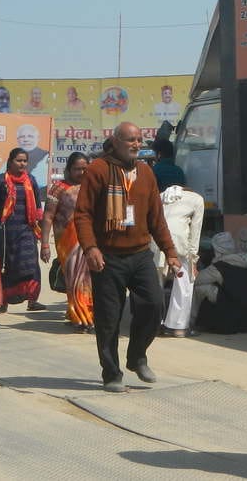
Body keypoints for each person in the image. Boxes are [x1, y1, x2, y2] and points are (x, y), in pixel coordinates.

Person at [73, 122, 180, 393]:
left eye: (139, 140)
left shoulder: (146, 173)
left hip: (140, 254)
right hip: (107, 257)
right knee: (108, 318)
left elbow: (157, 219)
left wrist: (170, 252)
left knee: (154, 305)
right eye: (130, 140)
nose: (136, 144)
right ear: (116, 142)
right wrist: (90, 248)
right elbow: (83, 214)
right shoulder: (98, 170)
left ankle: (137, 356)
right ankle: (111, 373)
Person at [0, 148, 48, 314]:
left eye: (25, 161)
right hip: (4, 233)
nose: (22, 164)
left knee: (30, 265)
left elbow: (38, 207)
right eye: (19, 160)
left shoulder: (31, 181)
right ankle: (3, 302)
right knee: (6, 267)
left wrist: (42, 232)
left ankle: (33, 301)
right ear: (10, 161)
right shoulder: (0, 182)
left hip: (27, 230)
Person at [41, 153, 94, 332]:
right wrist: (45, 244)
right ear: (69, 169)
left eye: (84, 168)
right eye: (77, 169)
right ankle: (79, 317)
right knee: (75, 280)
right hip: (67, 242)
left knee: (88, 280)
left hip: (90, 240)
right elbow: (48, 217)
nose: (81, 172)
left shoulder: (92, 186)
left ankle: (84, 315)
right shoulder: (58, 189)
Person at [191, 230, 247, 333]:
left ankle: (190, 321)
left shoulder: (217, 268)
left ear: (217, 249)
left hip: (233, 309)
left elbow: (196, 280)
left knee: (200, 287)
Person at [157, 184, 204, 338]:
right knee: (184, 284)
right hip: (179, 243)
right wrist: (193, 259)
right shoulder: (197, 199)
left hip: (156, 241)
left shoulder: (161, 196)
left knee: (155, 284)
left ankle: (154, 325)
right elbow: (195, 232)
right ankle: (177, 327)